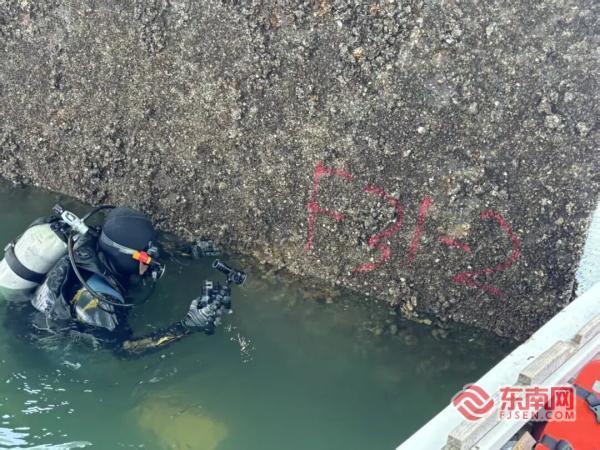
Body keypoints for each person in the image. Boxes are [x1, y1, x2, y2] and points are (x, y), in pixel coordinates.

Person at [0, 205, 246, 356]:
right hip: (35, 338)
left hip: (35, 302)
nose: (150, 262)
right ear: (129, 257)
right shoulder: (101, 304)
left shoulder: (95, 240)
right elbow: (125, 349)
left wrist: (187, 252)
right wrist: (188, 326)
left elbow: (134, 249)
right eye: (147, 257)